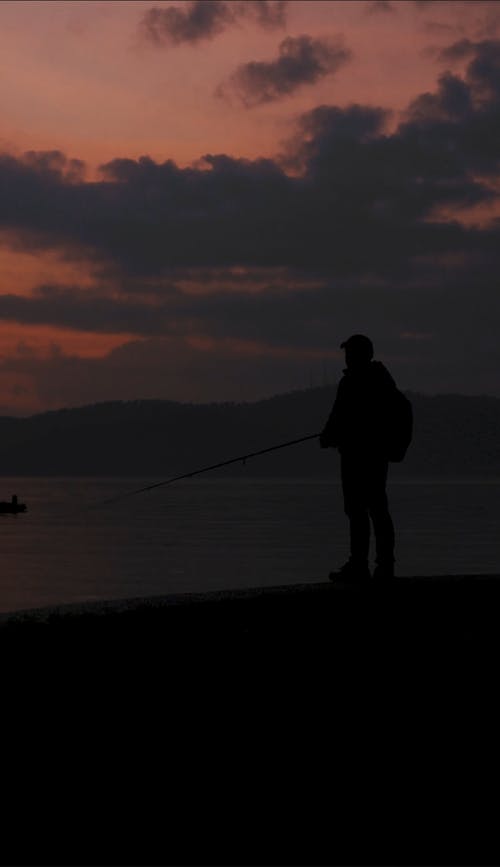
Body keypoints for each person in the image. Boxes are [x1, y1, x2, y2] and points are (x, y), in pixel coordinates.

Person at [320, 334, 396, 581]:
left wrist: (328, 436)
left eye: (349, 353)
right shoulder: (380, 379)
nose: (347, 357)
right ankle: (377, 565)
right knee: (371, 510)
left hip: (360, 456)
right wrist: (331, 434)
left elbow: (340, 415)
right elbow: (340, 415)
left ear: (360, 354)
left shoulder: (356, 382)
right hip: (370, 455)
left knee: (363, 510)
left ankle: (365, 565)